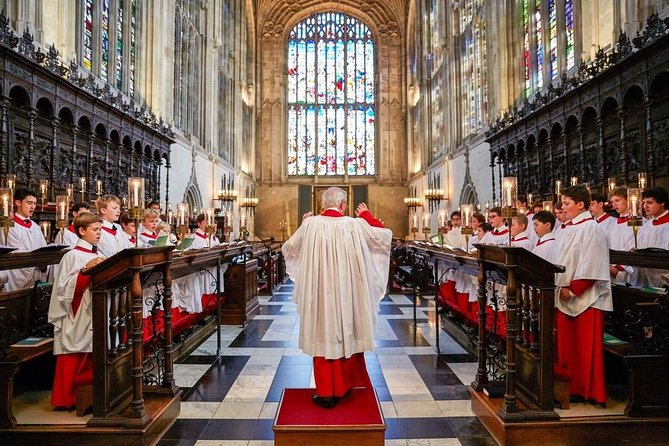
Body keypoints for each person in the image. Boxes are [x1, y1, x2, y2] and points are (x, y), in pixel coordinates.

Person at [282, 187, 392, 408]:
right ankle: (343, 388)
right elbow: (384, 238)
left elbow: (289, 249)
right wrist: (367, 216)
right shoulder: (354, 225)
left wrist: (304, 224)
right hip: (346, 293)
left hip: (319, 294)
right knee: (344, 330)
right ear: (343, 204)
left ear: (323, 205)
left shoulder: (311, 225)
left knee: (322, 332)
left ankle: (325, 392)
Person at [554, 185, 612, 405]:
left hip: (585, 298)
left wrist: (574, 288)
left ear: (580, 204)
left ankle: (588, 390)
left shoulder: (591, 229)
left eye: (567, 203)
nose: (563, 208)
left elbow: (593, 263)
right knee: (568, 347)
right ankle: (570, 386)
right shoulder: (568, 228)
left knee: (585, 347)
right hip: (564, 292)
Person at [48, 212, 104, 409]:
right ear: (82, 231)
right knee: (73, 352)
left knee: (91, 350)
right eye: (95, 230)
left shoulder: (97, 254)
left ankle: (86, 398)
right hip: (75, 312)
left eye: (100, 229)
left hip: (92, 309)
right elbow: (64, 289)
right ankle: (66, 399)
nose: (99, 233)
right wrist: (84, 272)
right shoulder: (72, 255)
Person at [1, 188, 47, 291]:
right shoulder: (8, 226)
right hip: (16, 276)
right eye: (29, 203)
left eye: (35, 204)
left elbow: (43, 249)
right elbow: (16, 252)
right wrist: (37, 262)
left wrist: (44, 264)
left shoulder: (35, 227)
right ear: (18, 202)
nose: (33, 207)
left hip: (35, 276)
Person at [633, 186, 669, 287]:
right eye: (644, 203)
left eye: (649, 203)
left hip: (664, 281)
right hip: (644, 280)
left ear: (662, 203)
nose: (645, 206)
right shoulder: (646, 226)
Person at [607, 186, 635, 283]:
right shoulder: (613, 223)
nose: (614, 205)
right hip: (612, 271)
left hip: (629, 271)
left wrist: (619, 268)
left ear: (628, 200)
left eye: (617, 200)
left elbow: (634, 247)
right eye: (612, 202)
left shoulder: (638, 222)